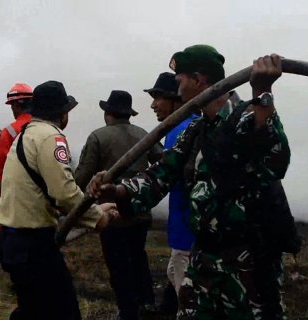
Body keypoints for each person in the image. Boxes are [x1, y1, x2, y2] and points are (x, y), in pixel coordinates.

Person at [88, 45, 292, 319]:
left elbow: (275, 159)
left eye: (179, 78)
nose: (176, 84)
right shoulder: (197, 129)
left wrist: (263, 93)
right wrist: (118, 190)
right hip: (204, 259)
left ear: (199, 80)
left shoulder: (246, 117)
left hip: (249, 264)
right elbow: (160, 174)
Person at [0, 80, 117, 320]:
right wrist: (97, 217)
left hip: (12, 240)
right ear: (63, 114)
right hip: (33, 244)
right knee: (64, 311)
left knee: (32, 308)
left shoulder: (25, 136)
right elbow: (64, 192)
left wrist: (94, 210)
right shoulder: (52, 138)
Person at [75, 90, 161, 320]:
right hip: (140, 211)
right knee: (138, 256)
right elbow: (163, 163)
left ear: (107, 113)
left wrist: (72, 200)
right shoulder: (144, 135)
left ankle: (128, 310)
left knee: (118, 263)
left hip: (111, 214)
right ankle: (148, 301)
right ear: (128, 114)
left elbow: (82, 175)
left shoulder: (98, 137)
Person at [144, 72, 199, 315]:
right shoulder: (193, 123)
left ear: (176, 99)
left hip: (186, 237)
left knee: (187, 305)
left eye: (159, 97)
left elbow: (163, 179)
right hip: (191, 235)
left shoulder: (180, 130)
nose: (153, 104)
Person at [0, 83, 33, 216]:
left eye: (12, 106)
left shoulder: (9, 132)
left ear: (17, 105)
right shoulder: (45, 126)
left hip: (16, 196)